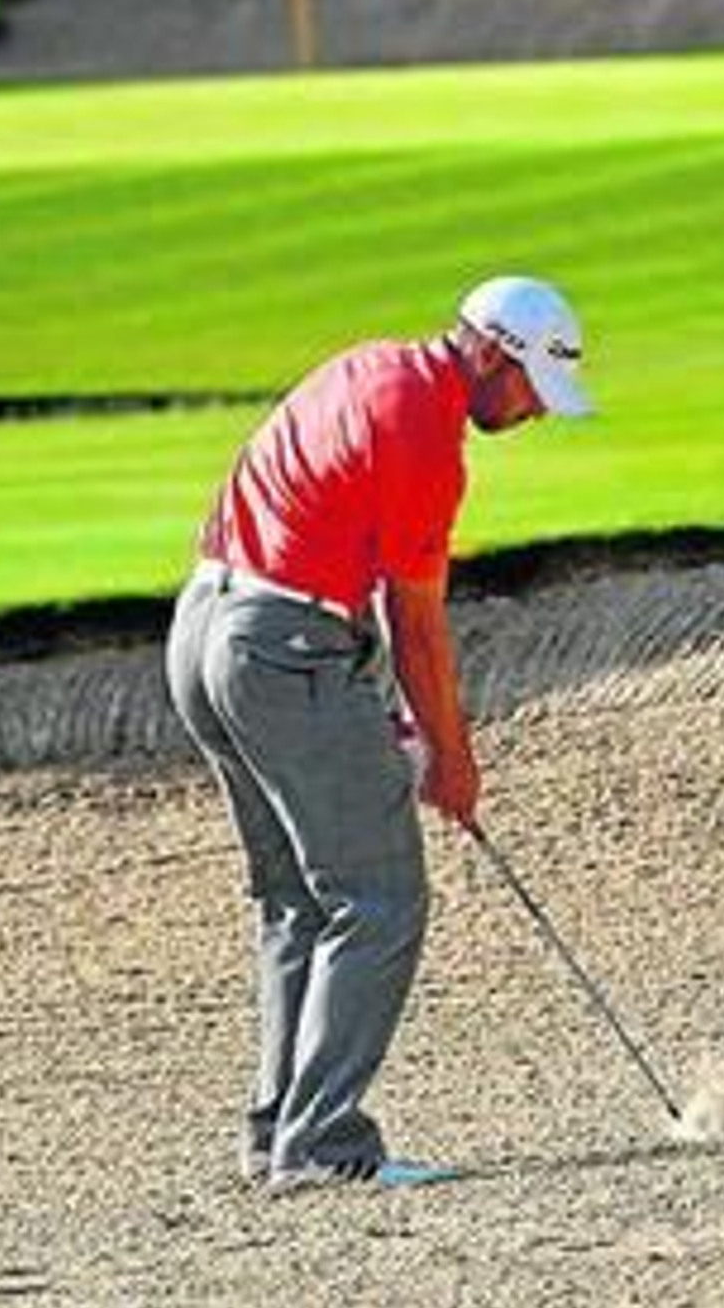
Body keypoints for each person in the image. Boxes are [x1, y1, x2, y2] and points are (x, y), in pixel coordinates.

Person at [165, 277, 592, 1192]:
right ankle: (322, 1145)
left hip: (204, 629)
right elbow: (419, 623)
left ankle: (278, 1132)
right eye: (531, 393)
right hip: (279, 651)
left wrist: (387, 713)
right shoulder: (427, 434)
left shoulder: (370, 368)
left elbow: (326, 544)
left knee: (297, 898)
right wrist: (453, 760)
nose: (534, 416)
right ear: (493, 354)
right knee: (381, 897)